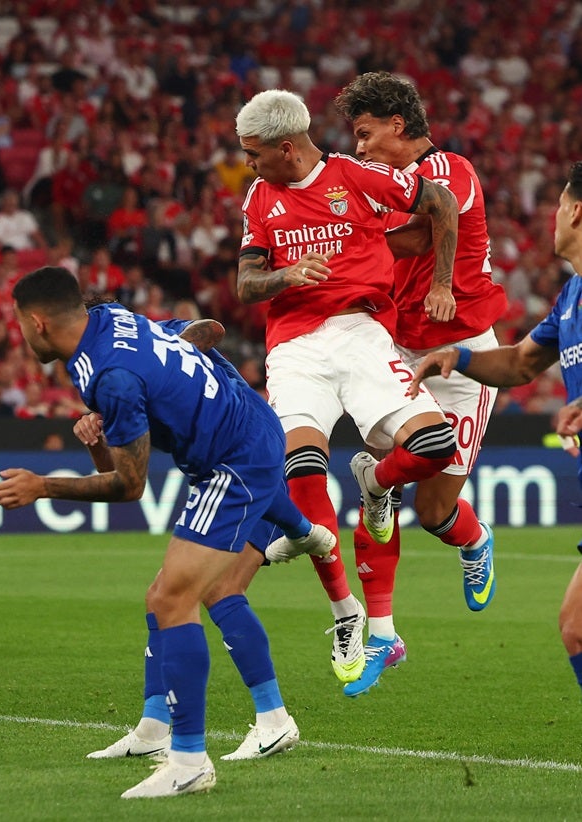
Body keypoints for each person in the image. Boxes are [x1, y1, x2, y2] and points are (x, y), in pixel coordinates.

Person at [0, 266, 331, 799]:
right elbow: (190, 335)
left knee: (175, 597)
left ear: (37, 323)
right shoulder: (109, 319)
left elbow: (130, 487)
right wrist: (104, 436)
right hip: (241, 431)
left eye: (19, 325)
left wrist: (42, 486)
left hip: (235, 459)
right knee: (164, 595)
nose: (21, 334)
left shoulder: (110, 376)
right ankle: (155, 730)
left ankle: (189, 760)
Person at [234, 89, 464, 687]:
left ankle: (376, 481)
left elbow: (441, 202)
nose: (248, 163)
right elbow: (246, 283)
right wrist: (286, 274)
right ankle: (345, 612)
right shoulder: (260, 197)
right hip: (294, 349)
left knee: (435, 445)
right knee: (304, 477)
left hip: (362, 333)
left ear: (288, 147)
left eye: (254, 153)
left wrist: (441, 283)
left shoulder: (354, 176)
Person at [331, 72, 506, 694]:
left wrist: (437, 282)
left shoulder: (450, 169)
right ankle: (383, 634)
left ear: (397, 125)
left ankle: (474, 539)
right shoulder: (381, 184)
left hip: (462, 356)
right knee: (378, 488)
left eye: (365, 133)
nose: (359, 148)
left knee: (434, 512)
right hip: (401, 351)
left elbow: (422, 231)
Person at [408, 160, 582, 702]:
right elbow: (519, 364)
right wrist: (458, 357)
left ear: (577, 212)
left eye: (558, 205)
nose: (552, 217)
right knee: (576, 628)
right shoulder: (571, 298)